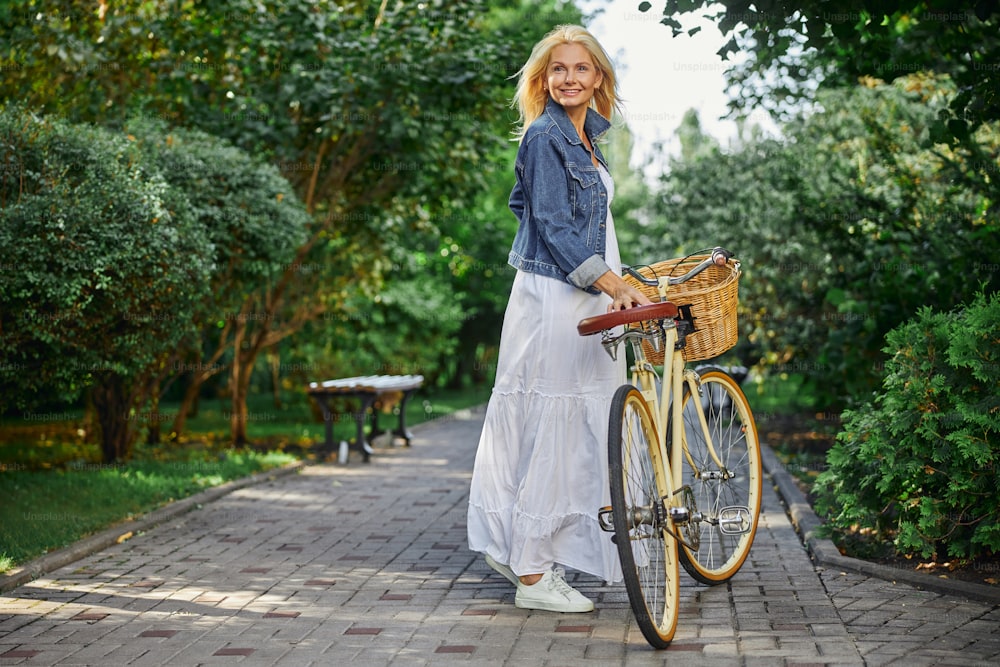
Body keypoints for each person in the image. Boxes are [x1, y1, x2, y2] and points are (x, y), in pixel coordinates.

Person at [467, 24, 651, 613]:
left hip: (581, 292)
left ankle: (519, 546)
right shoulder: (546, 135)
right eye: (557, 70)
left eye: (581, 69)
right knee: (555, 423)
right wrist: (608, 280)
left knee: (566, 424)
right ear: (542, 79)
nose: (569, 79)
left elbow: (528, 209)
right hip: (557, 298)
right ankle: (531, 573)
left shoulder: (587, 136)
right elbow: (549, 221)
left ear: (599, 78)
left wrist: (617, 279)